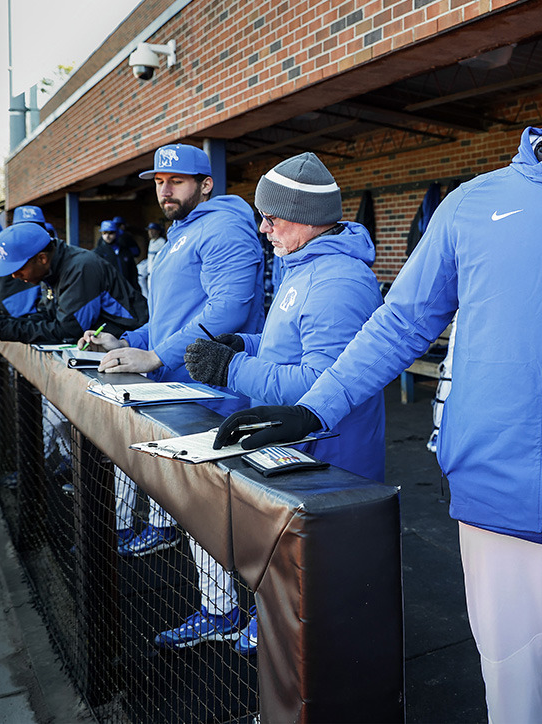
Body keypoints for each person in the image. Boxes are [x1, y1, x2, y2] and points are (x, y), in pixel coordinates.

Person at [215, 40, 542, 723]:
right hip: (493, 496)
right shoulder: (472, 204)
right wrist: (314, 410)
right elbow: (400, 324)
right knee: (510, 694)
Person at [164, 151, 387, 654]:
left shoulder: (338, 281)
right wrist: (243, 345)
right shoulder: (302, 265)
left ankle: (303, 645)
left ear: (306, 219)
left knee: (320, 579)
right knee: (285, 558)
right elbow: (286, 343)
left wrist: (231, 369)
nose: (262, 229)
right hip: (299, 452)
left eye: (272, 218)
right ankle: (282, 623)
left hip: (333, 461)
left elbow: (321, 383)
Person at [80, 143, 265, 559]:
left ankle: (225, 613)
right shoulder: (181, 232)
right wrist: (129, 343)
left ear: (205, 184)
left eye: (176, 182)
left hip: (211, 385)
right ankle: (209, 592)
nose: (165, 191)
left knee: (210, 502)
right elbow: (169, 318)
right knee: (185, 493)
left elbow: (228, 309)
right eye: (160, 182)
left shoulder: (223, 227)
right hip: (177, 385)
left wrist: (158, 356)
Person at [0, 222, 147, 344]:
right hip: (113, 343)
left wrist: (1, 330)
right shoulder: (50, 269)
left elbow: (69, 330)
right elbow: (48, 316)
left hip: (137, 341)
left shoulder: (80, 267)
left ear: (42, 258)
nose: (14, 275)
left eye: (19, 268)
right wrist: (2, 322)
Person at [94, 219, 141, 290]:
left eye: (110, 233)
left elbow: (133, 274)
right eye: (104, 233)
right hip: (109, 292)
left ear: (117, 233)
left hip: (127, 290)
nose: (107, 236)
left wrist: (136, 290)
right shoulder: (98, 253)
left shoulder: (125, 252)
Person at [135, 221, 167, 301]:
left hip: (157, 273)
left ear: (158, 231)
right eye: (149, 230)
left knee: (157, 297)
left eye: (153, 230)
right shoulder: (151, 241)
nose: (150, 232)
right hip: (150, 272)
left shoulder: (162, 242)